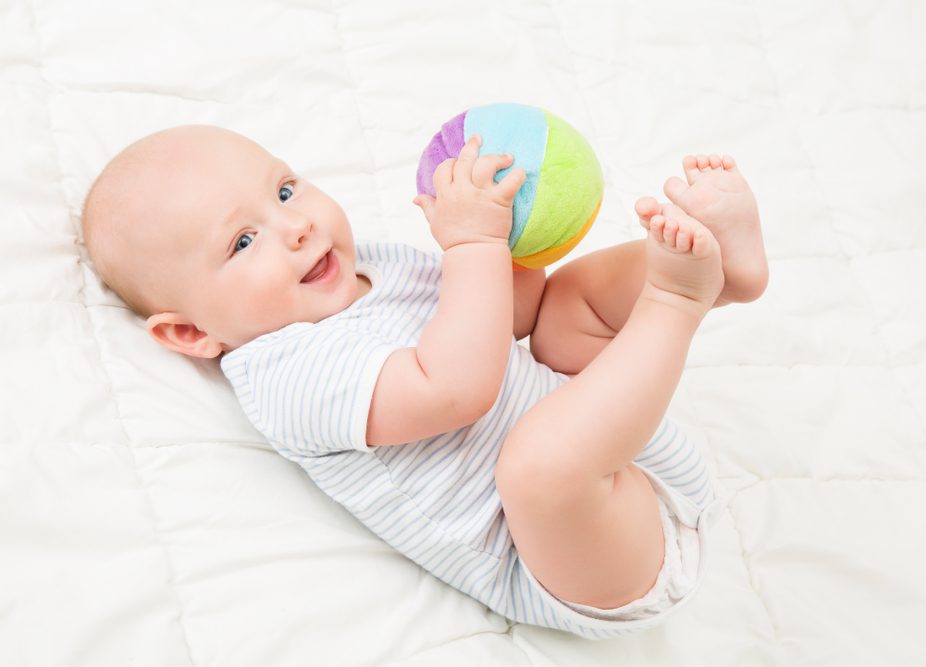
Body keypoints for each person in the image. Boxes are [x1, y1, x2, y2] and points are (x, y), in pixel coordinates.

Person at [81, 124, 767, 638]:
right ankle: (676, 302)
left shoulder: (370, 268)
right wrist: (473, 247)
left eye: (285, 190)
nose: (294, 226)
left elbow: (510, 318)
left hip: (624, 448)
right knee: (536, 466)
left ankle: (723, 279)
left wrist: (514, 233)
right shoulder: (283, 376)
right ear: (190, 333)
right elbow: (456, 386)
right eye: (241, 242)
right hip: (590, 557)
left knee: (566, 305)